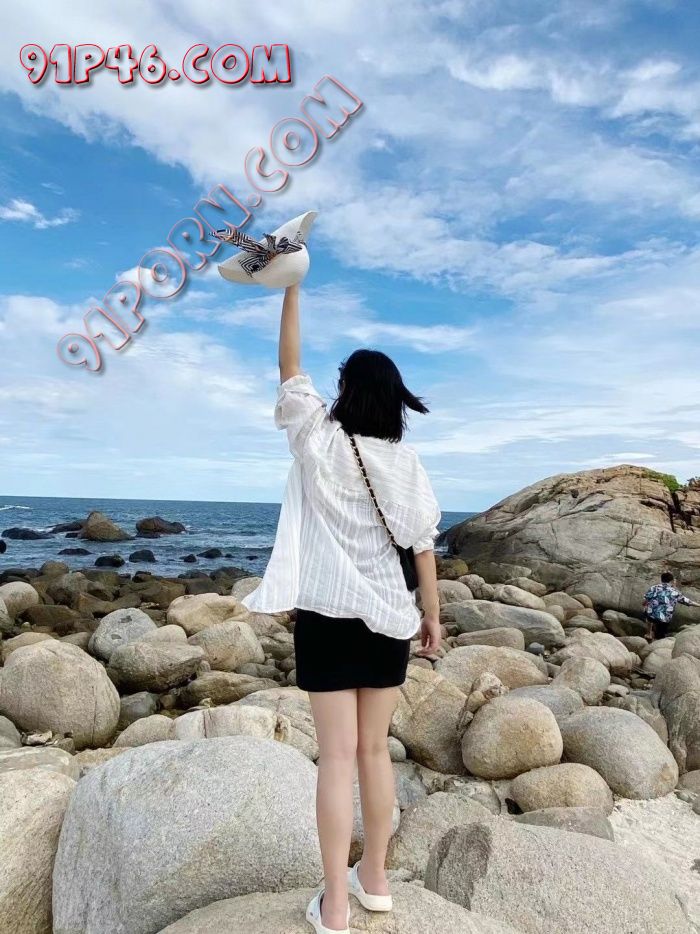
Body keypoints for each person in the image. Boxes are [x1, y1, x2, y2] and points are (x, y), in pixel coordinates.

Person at [240, 284, 442, 934]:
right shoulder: (407, 464)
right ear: (396, 401)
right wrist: (432, 615)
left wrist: (292, 286)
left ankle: (333, 903)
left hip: (326, 619)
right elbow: (422, 545)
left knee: (335, 758)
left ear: (347, 391)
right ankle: (374, 880)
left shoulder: (320, 442)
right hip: (388, 620)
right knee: (375, 754)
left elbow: (288, 369)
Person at [643, 571, 700, 641]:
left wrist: (645, 606)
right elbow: (688, 602)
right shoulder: (675, 592)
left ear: (661, 579)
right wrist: (699, 605)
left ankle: (648, 633)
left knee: (647, 612)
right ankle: (656, 640)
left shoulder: (653, 588)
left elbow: (645, 600)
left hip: (651, 616)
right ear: (671, 581)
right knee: (659, 637)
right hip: (664, 619)